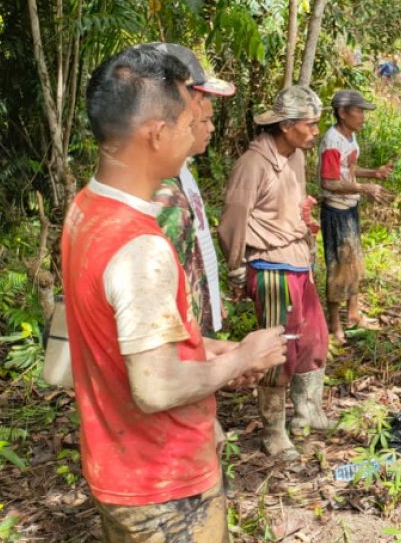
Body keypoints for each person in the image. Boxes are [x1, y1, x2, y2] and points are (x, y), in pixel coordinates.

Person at [62, 46, 286, 542]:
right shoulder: (140, 244)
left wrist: (209, 350)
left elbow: (127, 336)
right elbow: (157, 388)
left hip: (119, 466)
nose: (199, 127)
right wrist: (242, 356)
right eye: (190, 120)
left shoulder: (87, 208)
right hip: (162, 481)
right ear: (157, 133)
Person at [219, 86, 331, 459]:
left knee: (313, 338)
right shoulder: (252, 164)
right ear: (286, 126)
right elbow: (234, 218)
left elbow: (295, 205)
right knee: (279, 348)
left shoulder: (295, 156)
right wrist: (236, 268)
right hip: (270, 265)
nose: (316, 131)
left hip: (298, 259)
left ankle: (306, 412)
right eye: (310, 125)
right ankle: (273, 431)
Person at [149, 43, 236, 338]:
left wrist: (210, 297)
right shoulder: (162, 192)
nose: (209, 127)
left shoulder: (182, 169)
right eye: (201, 118)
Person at [319, 90, 395, 344]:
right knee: (338, 266)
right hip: (336, 210)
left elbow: (347, 170)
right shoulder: (332, 140)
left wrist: (373, 173)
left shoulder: (350, 138)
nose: (362, 116)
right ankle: (335, 325)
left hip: (349, 207)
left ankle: (354, 313)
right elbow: (329, 181)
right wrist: (364, 188)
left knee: (354, 263)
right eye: (359, 111)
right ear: (342, 113)